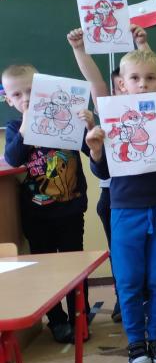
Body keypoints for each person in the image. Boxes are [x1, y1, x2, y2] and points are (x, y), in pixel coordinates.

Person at [85, 49, 156, 363]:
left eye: (150, 78)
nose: (142, 84)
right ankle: (135, 342)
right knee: (129, 279)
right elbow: (103, 172)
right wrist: (96, 151)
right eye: (135, 78)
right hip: (124, 210)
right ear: (122, 84)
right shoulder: (110, 121)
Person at [2, 64, 94, 343]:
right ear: (8, 100)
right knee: (45, 269)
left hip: (70, 209)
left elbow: (91, 149)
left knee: (74, 266)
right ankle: (57, 321)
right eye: (17, 95)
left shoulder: (64, 118)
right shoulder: (15, 127)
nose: (26, 99)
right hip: (36, 214)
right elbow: (14, 158)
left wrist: (89, 125)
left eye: (31, 91)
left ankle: (80, 317)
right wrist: (27, 123)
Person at [67, 25, 149, 323]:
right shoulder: (110, 110)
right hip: (115, 195)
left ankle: (150, 298)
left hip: (150, 193)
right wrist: (79, 49)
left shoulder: (154, 109)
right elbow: (95, 81)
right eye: (122, 84)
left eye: (140, 80)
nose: (129, 88)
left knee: (150, 253)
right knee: (121, 252)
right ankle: (125, 298)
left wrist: (142, 45)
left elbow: (154, 70)